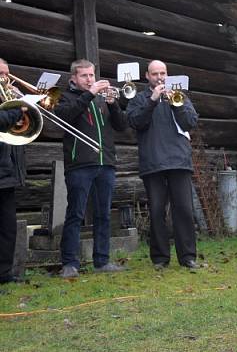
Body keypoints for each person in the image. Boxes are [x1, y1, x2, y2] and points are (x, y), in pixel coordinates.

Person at [54, 59, 128, 278]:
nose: (89, 79)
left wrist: (113, 103)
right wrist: (90, 93)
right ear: (74, 79)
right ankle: (69, 263)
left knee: (103, 214)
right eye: (84, 76)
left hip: (105, 163)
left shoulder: (102, 99)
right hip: (80, 164)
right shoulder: (64, 97)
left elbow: (122, 125)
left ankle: (101, 261)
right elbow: (65, 116)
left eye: (92, 75)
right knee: (75, 214)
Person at [127, 60, 199, 270]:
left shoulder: (179, 96)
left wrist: (175, 104)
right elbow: (135, 122)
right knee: (157, 210)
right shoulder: (139, 98)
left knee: (184, 209)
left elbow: (190, 122)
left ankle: (188, 257)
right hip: (153, 162)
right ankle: (160, 258)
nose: (160, 77)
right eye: (155, 74)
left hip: (179, 161)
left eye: (163, 73)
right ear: (147, 77)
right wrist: (152, 100)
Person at [0, 58, 26, 284]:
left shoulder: (6, 96)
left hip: (6, 174)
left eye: (7, 73)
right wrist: (19, 108)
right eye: (0, 73)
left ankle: (4, 274)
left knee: (8, 229)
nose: (5, 78)